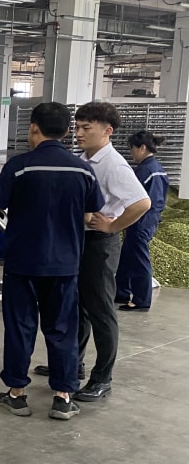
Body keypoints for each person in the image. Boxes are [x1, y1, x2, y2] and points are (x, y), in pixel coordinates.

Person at [0, 102, 104, 420]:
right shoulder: (83, 170)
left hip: (23, 262)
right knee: (63, 329)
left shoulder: (20, 167)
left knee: (21, 327)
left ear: (33, 128)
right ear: (67, 131)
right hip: (65, 264)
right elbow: (89, 215)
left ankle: (16, 394)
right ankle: (63, 397)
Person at [33, 102, 150, 402]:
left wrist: (112, 226)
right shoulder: (83, 159)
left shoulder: (113, 165)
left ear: (107, 131)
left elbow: (142, 203)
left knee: (100, 310)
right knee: (77, 307)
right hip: (79, 241)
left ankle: (102, 378)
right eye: (78, 127)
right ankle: (73, 366)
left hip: (100, 244)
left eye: (87, 128)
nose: (79, 133)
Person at [114, 131, 169, 312]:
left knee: (139, 259)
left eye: (132, 149)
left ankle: (141, 299)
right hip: (150, 219)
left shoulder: (146, 170)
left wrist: (124, 220)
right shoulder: (158, 169)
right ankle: (121, 291)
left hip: (141, 220)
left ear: (142, 148)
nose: (131, 153)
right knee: (127, 256)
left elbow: (138, 200)